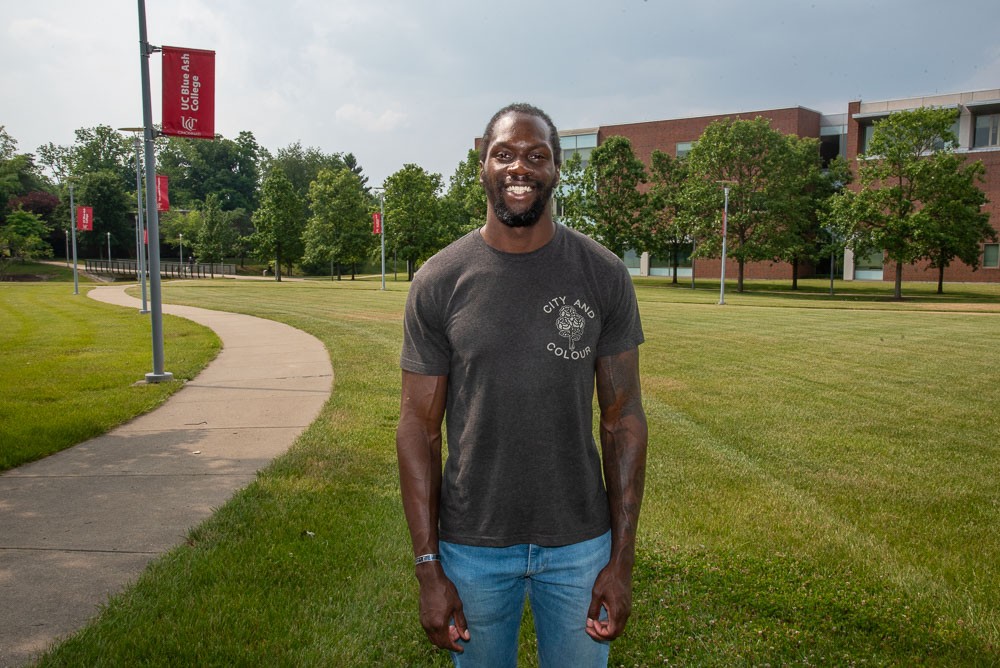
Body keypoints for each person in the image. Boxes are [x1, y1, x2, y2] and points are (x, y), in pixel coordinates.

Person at [396, 102, 647, 667]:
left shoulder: (602, 274)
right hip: (472, 546)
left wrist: (621, 559)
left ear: (557, 169)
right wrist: (428, 565)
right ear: (481, 165)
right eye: (503, 154)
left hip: (581, 546)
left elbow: (623, 419)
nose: (520, 167)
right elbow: (418, 429)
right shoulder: (440, 280)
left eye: (538, 155)